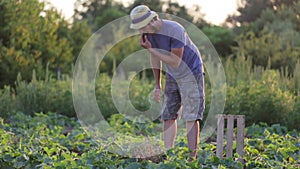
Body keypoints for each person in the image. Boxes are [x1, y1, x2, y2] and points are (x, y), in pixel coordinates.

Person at [129, 5, 205, 160]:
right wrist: (158, 85)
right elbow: (155, 58)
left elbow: (175, 61)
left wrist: (150, 49)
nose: (140, 32)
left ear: (151, 21)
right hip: (172, 74)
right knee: (168, 114)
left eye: (141, 28)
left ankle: (192, 158)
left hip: (191, 72)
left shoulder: (175, 29)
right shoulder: (148, 35)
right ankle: (169, 154)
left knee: (191, 115)